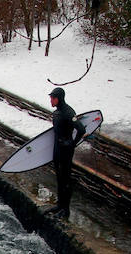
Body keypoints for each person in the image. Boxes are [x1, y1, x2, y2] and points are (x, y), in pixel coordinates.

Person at [48, 87, 86, 220]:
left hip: (66, 149)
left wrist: (73, 143)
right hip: (57, 148)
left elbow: (81, 129)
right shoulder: (57, 113)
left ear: (59, 98)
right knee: (59, 178)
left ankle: (66, 209)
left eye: (52, 98)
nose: (51, 101)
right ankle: (59, 205)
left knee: (65, 179)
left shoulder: (68, 112)